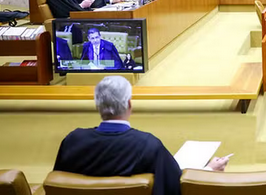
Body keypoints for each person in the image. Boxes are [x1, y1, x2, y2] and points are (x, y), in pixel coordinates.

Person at [53, 76, 229, 195]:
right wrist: (210, 170)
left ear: (97, 105)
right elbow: (176, 185)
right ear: (129, 104)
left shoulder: (72, 141)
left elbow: (59, 185)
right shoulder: (148, 145)